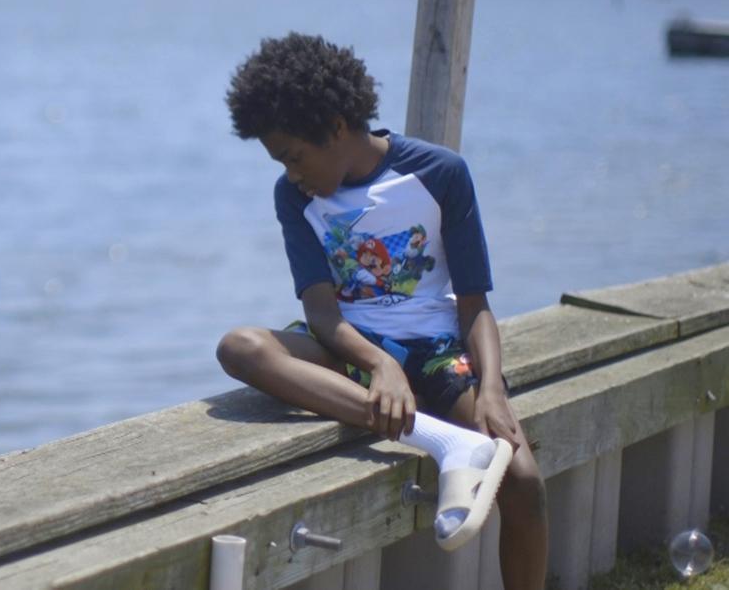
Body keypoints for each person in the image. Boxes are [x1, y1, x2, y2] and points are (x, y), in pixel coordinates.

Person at [216, 33, 548, 589]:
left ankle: (450, 434)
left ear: (338, 126)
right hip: (348, 347)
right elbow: (322, 313)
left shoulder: (440, 172)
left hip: (437, 351)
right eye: (281, 162)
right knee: (240, 347)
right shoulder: (294, 198)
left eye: (295, 156)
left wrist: (491, 387)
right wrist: (380, 365)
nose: (291, 173)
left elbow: (474, 305)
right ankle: (441, 441)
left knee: (522, 479)